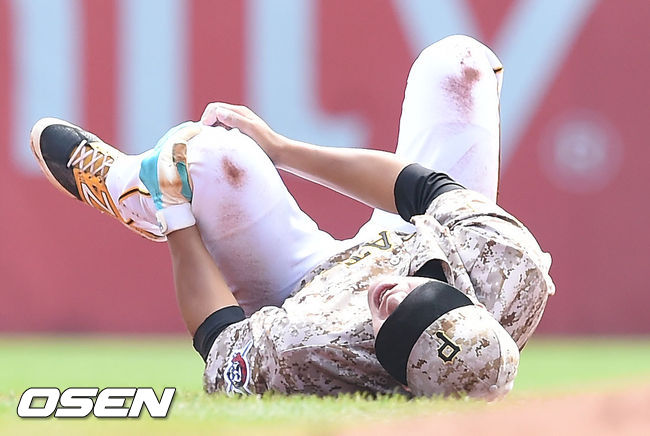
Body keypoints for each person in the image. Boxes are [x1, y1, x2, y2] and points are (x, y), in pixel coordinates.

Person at [30, 35, 554, 398]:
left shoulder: (317, 357)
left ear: (393, 371)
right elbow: (417, 186)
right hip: (413, 240)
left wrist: (177, 219)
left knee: (211, 157)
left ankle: (132, 190)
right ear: (463, 299)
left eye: (394, 325)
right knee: (460, 64)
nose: (388, 297)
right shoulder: (506, 265)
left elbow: (219, 339)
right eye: (417, 303)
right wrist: (283, 150)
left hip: (304, 289)